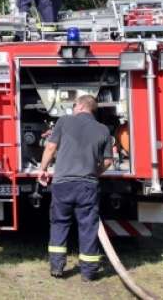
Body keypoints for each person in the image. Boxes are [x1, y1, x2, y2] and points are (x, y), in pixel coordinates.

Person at [36, 95, 114, 281]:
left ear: (79, 106)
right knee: (88, 226)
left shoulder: (64, 121)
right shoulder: (103, 129)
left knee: (59, 223)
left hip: (63, 184)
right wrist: (94, 173)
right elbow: (108, 161)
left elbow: (50, 148)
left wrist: (43, 169)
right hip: (87, 186)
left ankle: (57, 267)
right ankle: (88, 272)